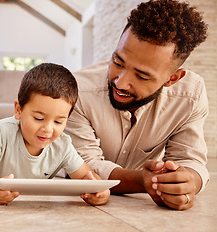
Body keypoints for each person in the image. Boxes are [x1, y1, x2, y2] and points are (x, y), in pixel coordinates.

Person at [65, 0, 209, 211]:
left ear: (172, 78)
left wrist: (187, 182)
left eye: (142, 76)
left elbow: (190, 160)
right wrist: (142, 180)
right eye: (118, 62)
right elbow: (84, 164)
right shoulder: (76, 89)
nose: (120, 82)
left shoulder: (190, 95)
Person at [0, 63, 110, 205]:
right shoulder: (4, 130)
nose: (48, 129)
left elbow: (86, 175)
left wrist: (99, 190)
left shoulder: (63, 145)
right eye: (38, 118)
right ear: (19, 110)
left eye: (58, 122)